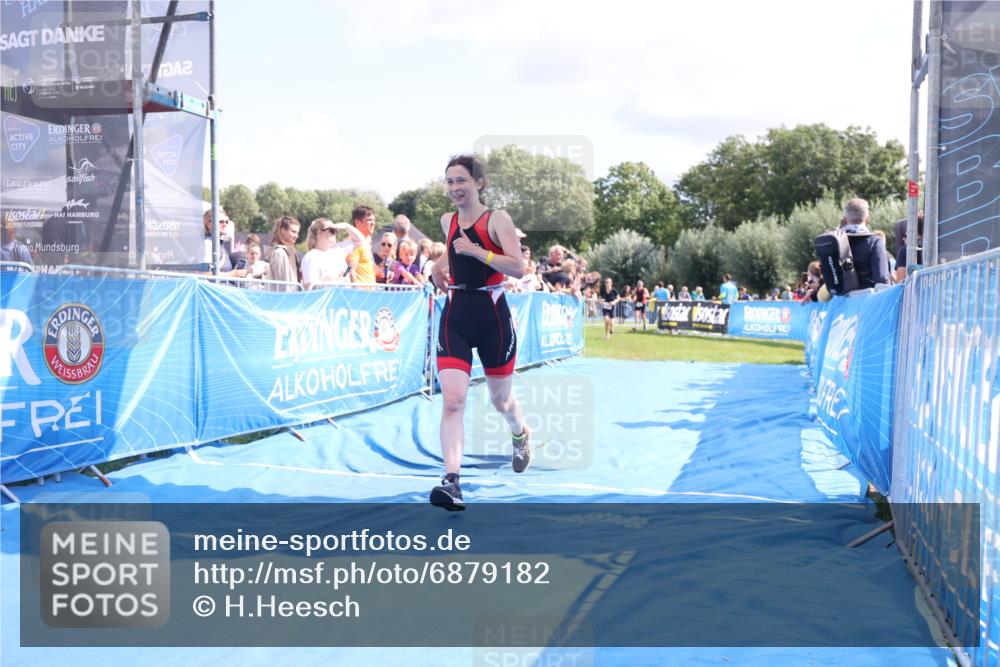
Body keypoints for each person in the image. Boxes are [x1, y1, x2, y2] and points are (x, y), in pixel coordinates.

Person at [429, 154, 529, 510]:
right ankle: (452, 482)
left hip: (493, 319)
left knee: (500, 400)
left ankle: (520, 433)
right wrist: (435, 268)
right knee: (453, 400)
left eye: (462, 181)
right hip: (456, 314)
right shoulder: (447, 221)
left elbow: (517, 267)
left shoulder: (498, 219)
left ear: (479, 183)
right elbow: (454, 255)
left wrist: (477, 251)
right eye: (450, 181)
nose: (455, 188)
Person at [839, 198, 891, 289]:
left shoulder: (836, 241)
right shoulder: (875, 242)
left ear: (845, 219)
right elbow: (882, 280)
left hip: (840, 300)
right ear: (867, 219)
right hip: (867, 299)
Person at [300, 218, 365, 290]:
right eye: (332, 230)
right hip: (327, 300)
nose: (335, 233)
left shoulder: (339, 249)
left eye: (336, 230)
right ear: (320, 233)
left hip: (343, 298)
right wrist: (336, 283)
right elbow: (310, 288)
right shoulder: (310, 257)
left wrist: (346, 226)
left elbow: (360, 240)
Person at [267, 215, 302, 290]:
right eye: (293, 232)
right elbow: (282, 284)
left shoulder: (289, 252)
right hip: (284, 299)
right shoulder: (279, 253)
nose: (296, 236)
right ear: (283, 230)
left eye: (297, 233)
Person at [346, 205, 377, 284]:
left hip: (369, 292)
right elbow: (350, 270)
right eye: (369, 220)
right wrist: (357, 291)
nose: (373, 223)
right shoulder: (354, 243)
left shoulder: (366, 242)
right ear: (357, 222)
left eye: (374, 220)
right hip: (360, 294)